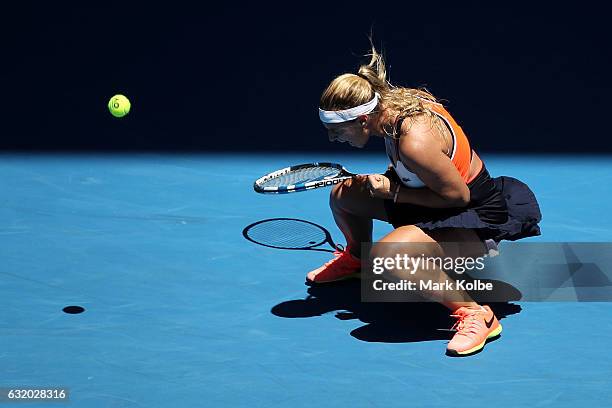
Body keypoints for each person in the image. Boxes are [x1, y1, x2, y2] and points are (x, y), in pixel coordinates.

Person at [309, 44, 542, 356]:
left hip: (472, 216)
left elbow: (459, 196)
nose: (333, 139)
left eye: (337, 131)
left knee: (390, 256)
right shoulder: (390, 107)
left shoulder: (414, 141)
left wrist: (392, 190)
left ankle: (476, 314)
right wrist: (394, 180)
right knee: (344, 194)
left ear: (363, 121)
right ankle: (357, 259)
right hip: (431, 199)